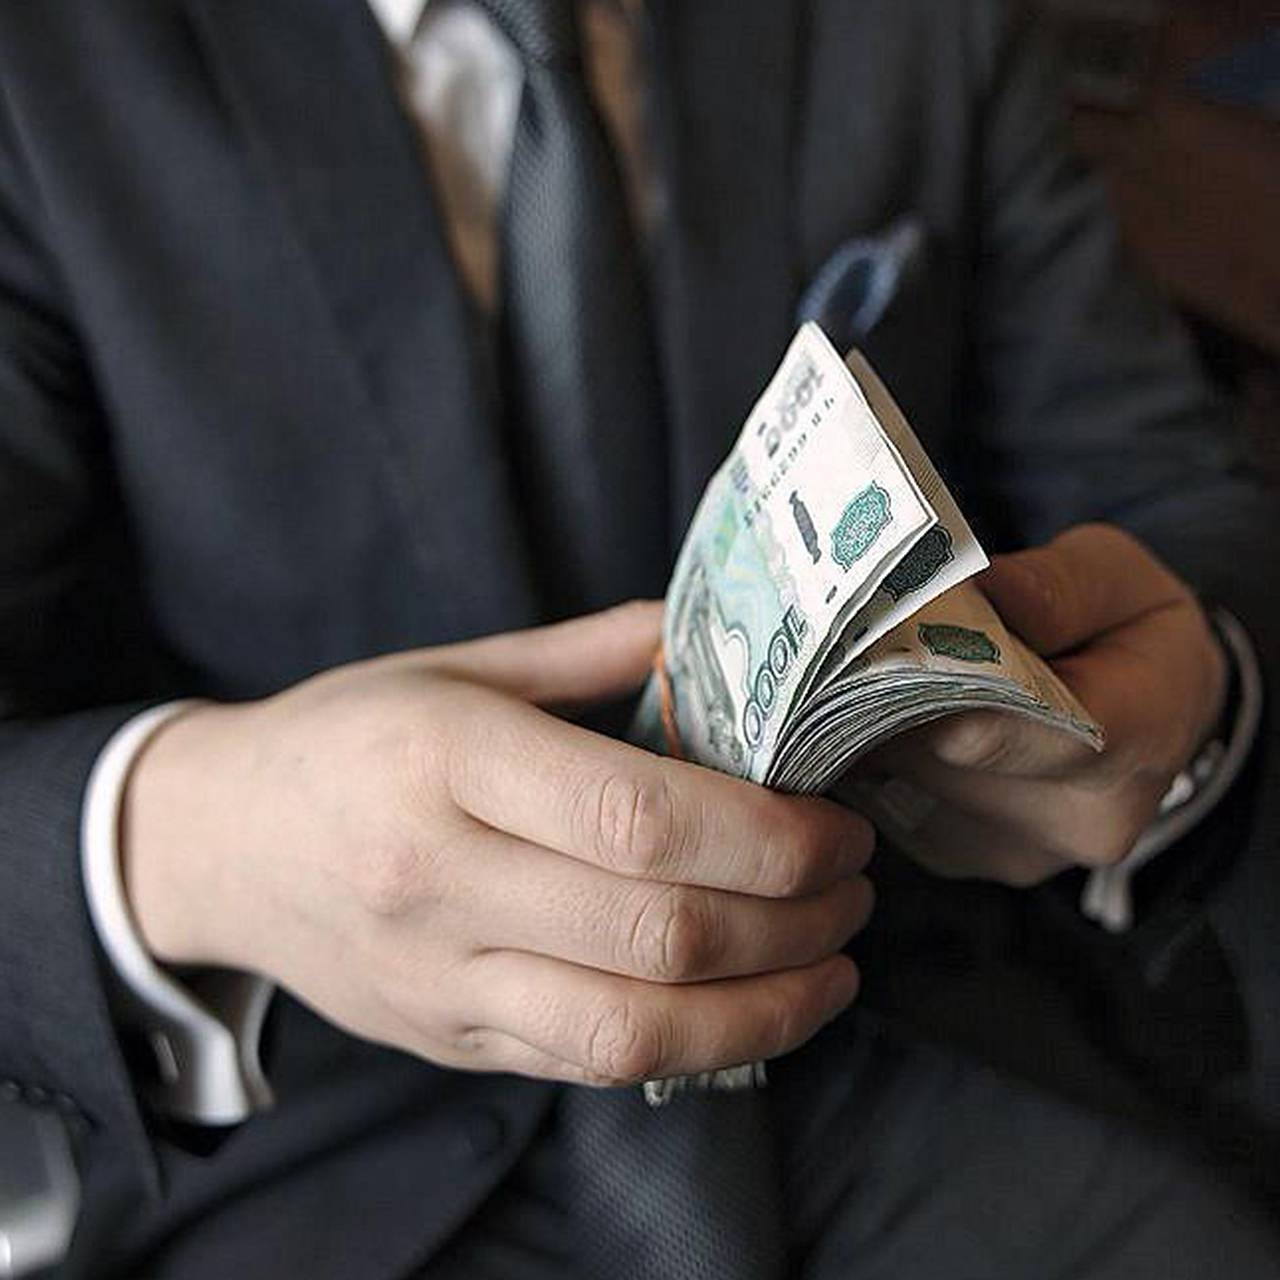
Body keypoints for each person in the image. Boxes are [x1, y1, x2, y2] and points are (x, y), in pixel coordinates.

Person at [0, 0, 1276, 1275]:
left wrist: (1186, 711)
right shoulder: (42, 67)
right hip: (320, 1138)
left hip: (898, 1027)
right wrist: (205, 842)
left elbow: (1175, 500)